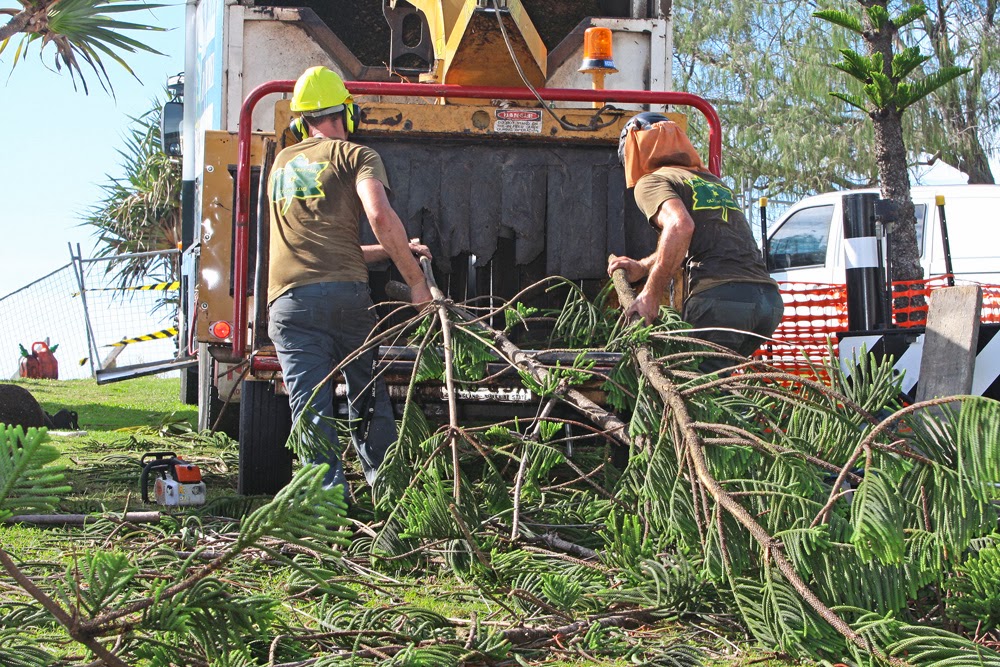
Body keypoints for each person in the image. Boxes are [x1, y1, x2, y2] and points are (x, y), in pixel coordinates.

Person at [267, 66, 432, 494]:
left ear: (302, 119)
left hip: (289, 306)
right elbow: (378, 215)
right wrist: (416, 283)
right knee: (367, 400)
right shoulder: (356, 155)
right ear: (347, 113)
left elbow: (323, 247)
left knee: (310, 413)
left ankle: (328, 517)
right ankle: (392, 501)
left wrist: (397, 250)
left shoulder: (281, 165)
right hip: (346, 301)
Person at [607, 112, 783, 374]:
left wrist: (650, 296)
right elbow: (695, 237)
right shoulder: (712, 181)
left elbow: (680, 227)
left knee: (696, 389)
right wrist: (643, 267)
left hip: (721, 300)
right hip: (767, 303)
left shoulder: (652, 180)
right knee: (720, 387)